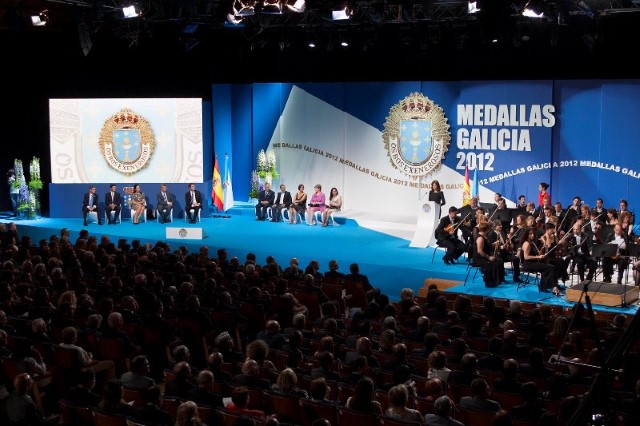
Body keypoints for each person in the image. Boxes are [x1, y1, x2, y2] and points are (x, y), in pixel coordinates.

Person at [520, 227, 559, 294]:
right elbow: (526, 257)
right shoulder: (527, 244)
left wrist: (543, 248)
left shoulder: (533, 243)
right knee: (550, 268)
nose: (532, 235)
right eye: (530, 234)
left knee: (549, 267)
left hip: (533, 262)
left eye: (533, 234)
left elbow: (539, 253)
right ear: (527, 235)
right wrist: (538, 257)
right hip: (528, 264)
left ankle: (545, 286)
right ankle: (552, 287)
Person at [473, 221, 505, 287]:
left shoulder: (484, 236)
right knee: (492, 263)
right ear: (486, 229)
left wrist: (494, 244)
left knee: (499, 261)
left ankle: (498, 280)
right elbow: (480, 251)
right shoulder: (480, 238)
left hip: (483, 257)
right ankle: (489, 282)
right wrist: (488, 257)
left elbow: (487, 245)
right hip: (479, 259)